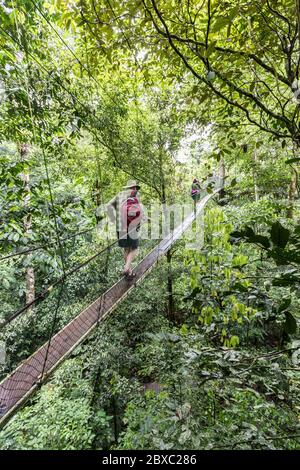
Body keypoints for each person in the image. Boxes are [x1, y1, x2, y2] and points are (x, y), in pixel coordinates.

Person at [108, 180, 142, 280]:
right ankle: (126, 268)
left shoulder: (119, 195)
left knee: (126, 249)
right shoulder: (135, 197)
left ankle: (129, 273)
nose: (135, 189)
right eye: (134, 187)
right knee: (135, 249)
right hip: (131, 227)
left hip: (120, 227)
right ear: (132, 188)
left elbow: (108, 205)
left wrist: (113, 219)